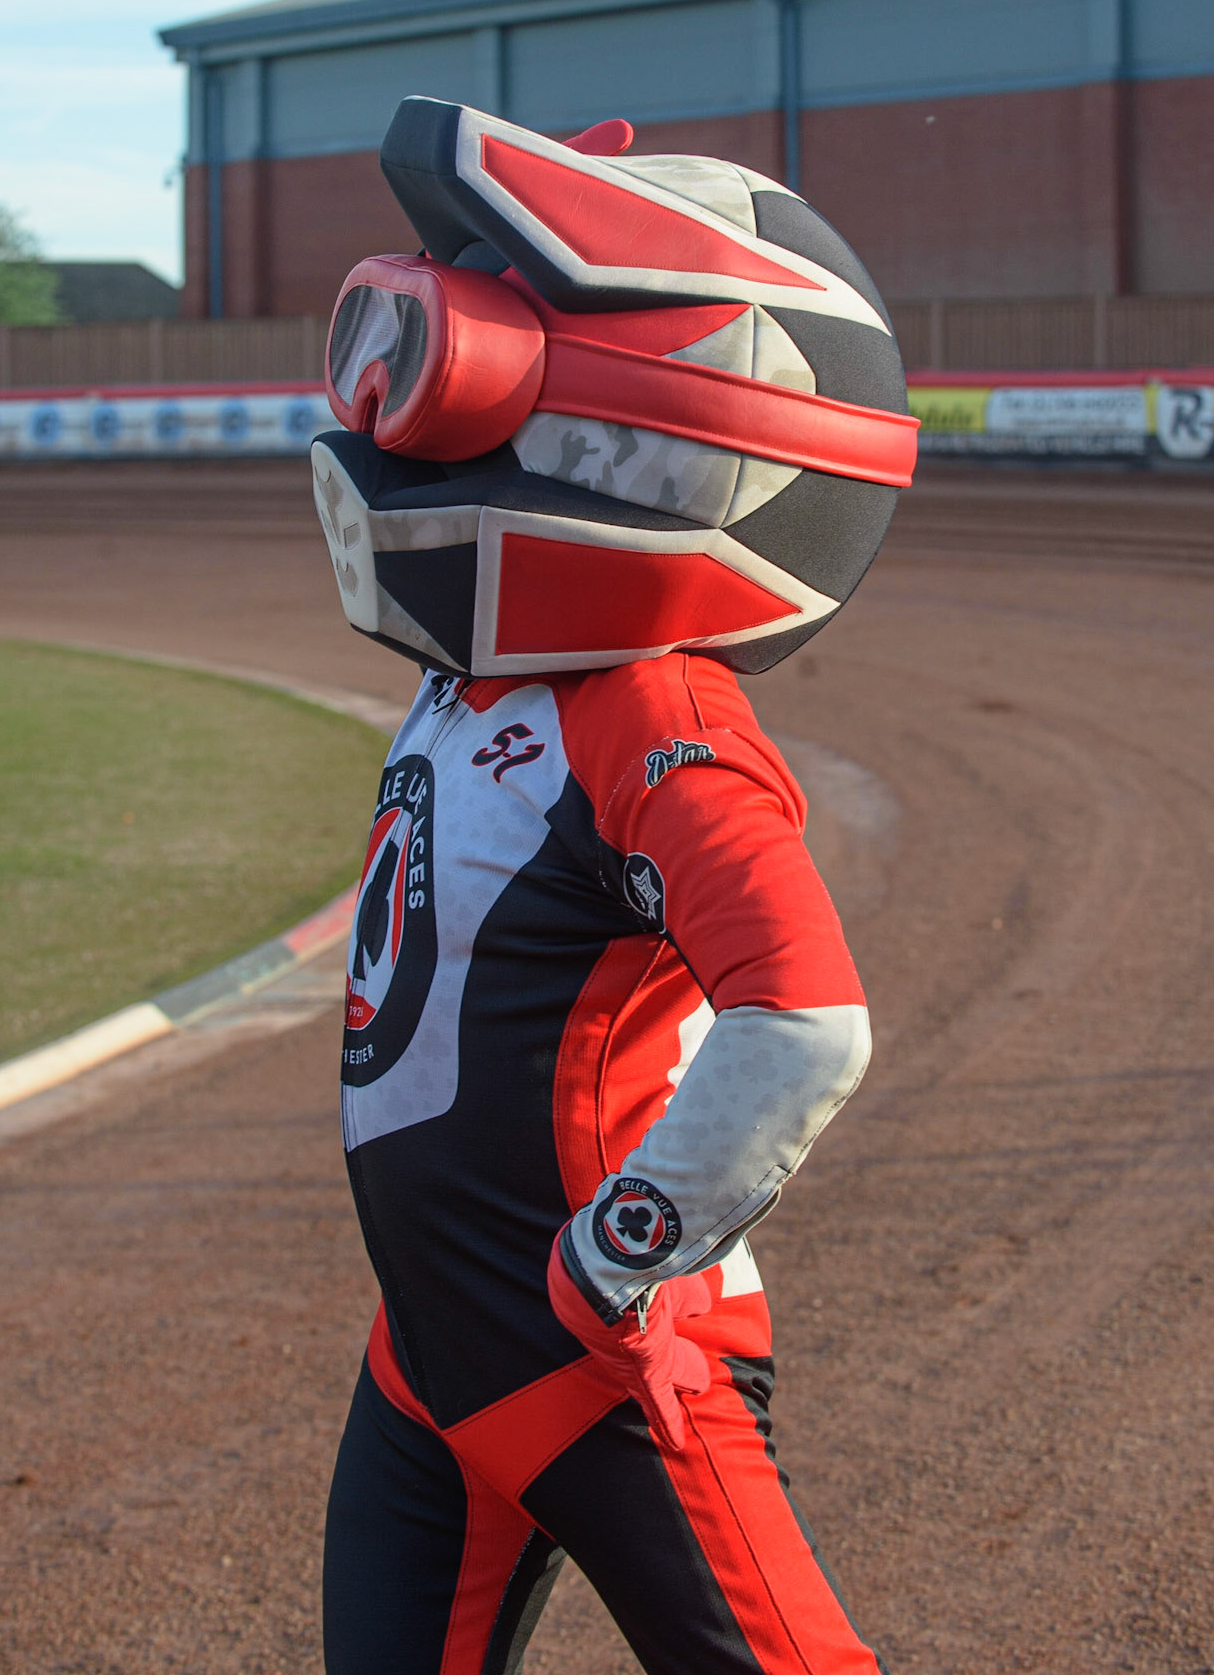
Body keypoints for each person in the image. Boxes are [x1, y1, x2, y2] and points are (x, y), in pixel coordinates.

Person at [313, 98, 917, 1675]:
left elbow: (806, 1022)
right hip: (433, 1353)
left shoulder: (653, 707)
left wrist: (620, 1255)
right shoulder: (468, 678)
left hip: (604, 1356)